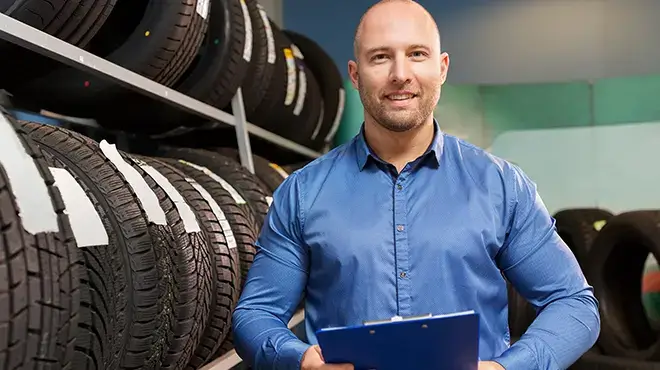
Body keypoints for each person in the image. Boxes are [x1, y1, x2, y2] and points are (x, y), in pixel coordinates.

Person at [232, 0, 601, 369]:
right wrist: (301, 361)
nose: (400, 74)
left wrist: (509, 367)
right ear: (356, 74)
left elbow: (573, 303)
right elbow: (255, 314)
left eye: (417, 54)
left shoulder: (502, 186)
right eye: (380, 57)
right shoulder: (302, 193)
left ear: (441, 68)